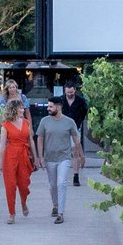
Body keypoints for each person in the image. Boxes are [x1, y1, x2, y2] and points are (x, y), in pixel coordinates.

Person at [33, 96, 82, 224]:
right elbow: (40, 138)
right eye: (48, 106)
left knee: (61, 183)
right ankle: (55, 205)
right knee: (52, 185)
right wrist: (40, 157)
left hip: (64, 158)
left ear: (58, 107)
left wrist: (81, 155)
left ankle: (60, 213)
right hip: (49, 158)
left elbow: (76, 139)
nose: (48, 108)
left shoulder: (69, 122)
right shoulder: (44, 121)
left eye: (50, 106)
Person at [0, 100, 35, 224]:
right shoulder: (5, 126)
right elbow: (2, 146)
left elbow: (31, 141)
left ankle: (23, 202)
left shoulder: (26, 122)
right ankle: (11, 213)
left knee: (24, 184)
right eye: (20, 108)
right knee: (10, 185)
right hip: (10, 156)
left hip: (24, 155)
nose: (23, 110)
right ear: (14, 109)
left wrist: (35, 157)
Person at [60, 80, 90, 185]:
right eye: (67, 92)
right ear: (65, 91)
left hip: (75, 128)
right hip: (62, 128)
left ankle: (76, 176)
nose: (69, 94)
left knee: (75, 151)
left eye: (71, 92)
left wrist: (79, 121)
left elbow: (84, 112)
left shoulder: (80, 101)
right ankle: (61, 175)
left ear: (75, 90)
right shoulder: (61, 100)